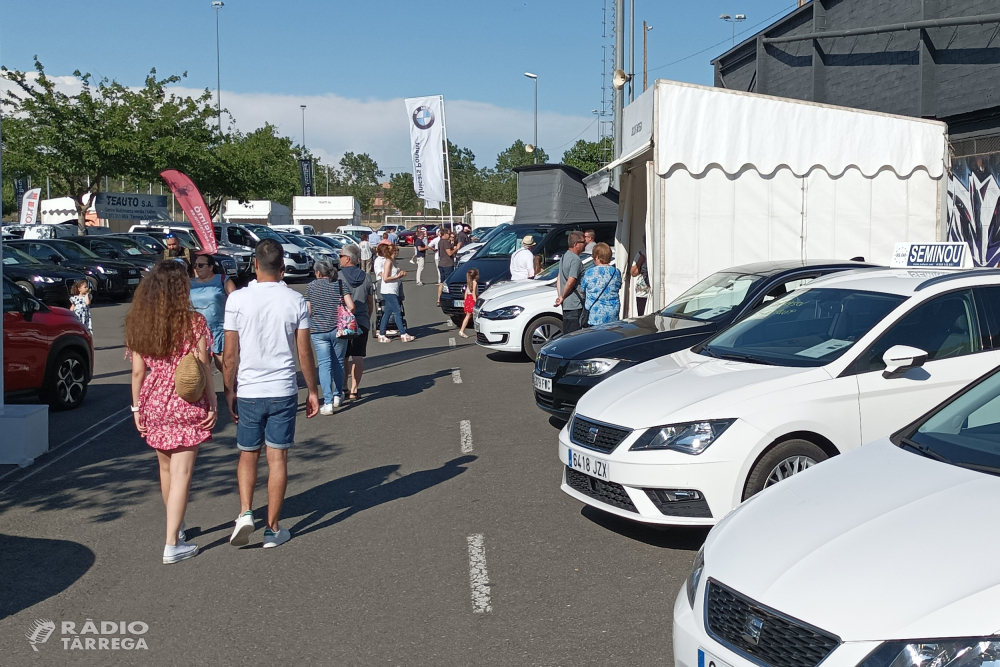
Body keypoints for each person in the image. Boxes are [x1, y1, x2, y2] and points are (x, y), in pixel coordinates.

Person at [223, 239, 320, 550]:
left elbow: (230, 354)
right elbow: (305, 352)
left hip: (249, 389)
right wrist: (313, 390)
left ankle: (245, 512)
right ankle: (273, 528)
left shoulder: (236, 300)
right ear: (283, 268)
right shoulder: (295, 301)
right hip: (282, 389)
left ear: (254, 265)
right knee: (277, 458)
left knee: (247, 454)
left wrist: (228, 389)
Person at [126, 261, 218, 565]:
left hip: (153, 400)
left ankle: (176, 532)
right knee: (182, 473)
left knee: (166, 470)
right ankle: (171, 544)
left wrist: (137, 406)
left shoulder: (140, 322)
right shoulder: (194, 322)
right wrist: (213, 402)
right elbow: (203, 365)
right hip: (184, 401)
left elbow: (138, 371)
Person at [305, 258, 355, 415]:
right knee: (339, 362)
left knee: (324, 364)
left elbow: (308, 311)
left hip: (318, 331)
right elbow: (351, 306)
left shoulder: (311, 287)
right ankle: (337, 395)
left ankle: (327, 403)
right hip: (339, 330)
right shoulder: (340, 284)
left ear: (318, 272)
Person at [339, 245, 374, 400]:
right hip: (361, 319)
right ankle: (354, 388)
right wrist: (367, 316)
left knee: (344, 356)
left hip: (343, 323)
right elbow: (370, 302)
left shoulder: (338, 276)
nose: (338, 258)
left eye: (340, 256)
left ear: (347, 258)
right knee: (358, 356)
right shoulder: (367, 277)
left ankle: (344, 386)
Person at [190, 254, 236, 372]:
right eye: (195, 266)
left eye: (201, 265)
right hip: (198, 332)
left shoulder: (222, 279)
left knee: (224, 365)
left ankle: (233, 388)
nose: (197, 268)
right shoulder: (190, 283)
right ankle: (207, 391)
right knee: (200, 368)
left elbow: (236, 300)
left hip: (219, 330)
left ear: (210, 267)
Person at [378, 244, 415, 343]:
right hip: (388, 290)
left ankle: (381, 334)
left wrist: (400, 274)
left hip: (393, 289)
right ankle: (403, 334)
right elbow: (385, 278)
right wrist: (398, 277)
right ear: (394, 252)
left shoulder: (393, 262)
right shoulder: (388, 262)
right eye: (397, 251)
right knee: (397, 311)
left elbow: (393, 274)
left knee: (387, 313)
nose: (398, 252)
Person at [554, 231, 587, 334]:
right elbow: (571, 281)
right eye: (583, 242)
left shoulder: (564, 257)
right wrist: (563, 296)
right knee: (575, 337)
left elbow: (559, 278)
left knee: (567, 336)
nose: (585, 244)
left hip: (567, 305)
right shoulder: (575, 260)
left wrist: (560, 296)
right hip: (575, 305)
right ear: (576, 244)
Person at [582, 242, 622, 326]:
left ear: (597, 257)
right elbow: (619, 286)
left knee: (596, 337)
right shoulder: (616, 272)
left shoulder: (589, 272)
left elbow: (582, 289)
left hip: (595, 314)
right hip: (613, 312)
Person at [436, 229, 457, 307]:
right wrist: (456, 248)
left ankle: (438, 299)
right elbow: (449, 253)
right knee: (448, 282)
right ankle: (448, 299)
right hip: (447, 264)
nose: (449, 235)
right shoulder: (445, 242)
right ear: (444, 234)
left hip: (441, 263)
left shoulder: (440, 241)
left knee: (441, 282)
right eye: (448, 234)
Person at [630, 239, 650, 317]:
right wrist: (640, 261)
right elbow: (633, 273)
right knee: (642, 316)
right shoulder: (640, 253)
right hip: (642, 293)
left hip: (654, 292)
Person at [457, 268, 479, 338]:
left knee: (468, 316)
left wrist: (465, 301)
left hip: (468, 300)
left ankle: (461, 330)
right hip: (472, 299)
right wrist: (476, 302)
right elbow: (473, 293)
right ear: (476, 276)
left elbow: (466, 292)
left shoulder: (469, 282)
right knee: (476, 317)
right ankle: (478, 332)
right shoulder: (474, 282)